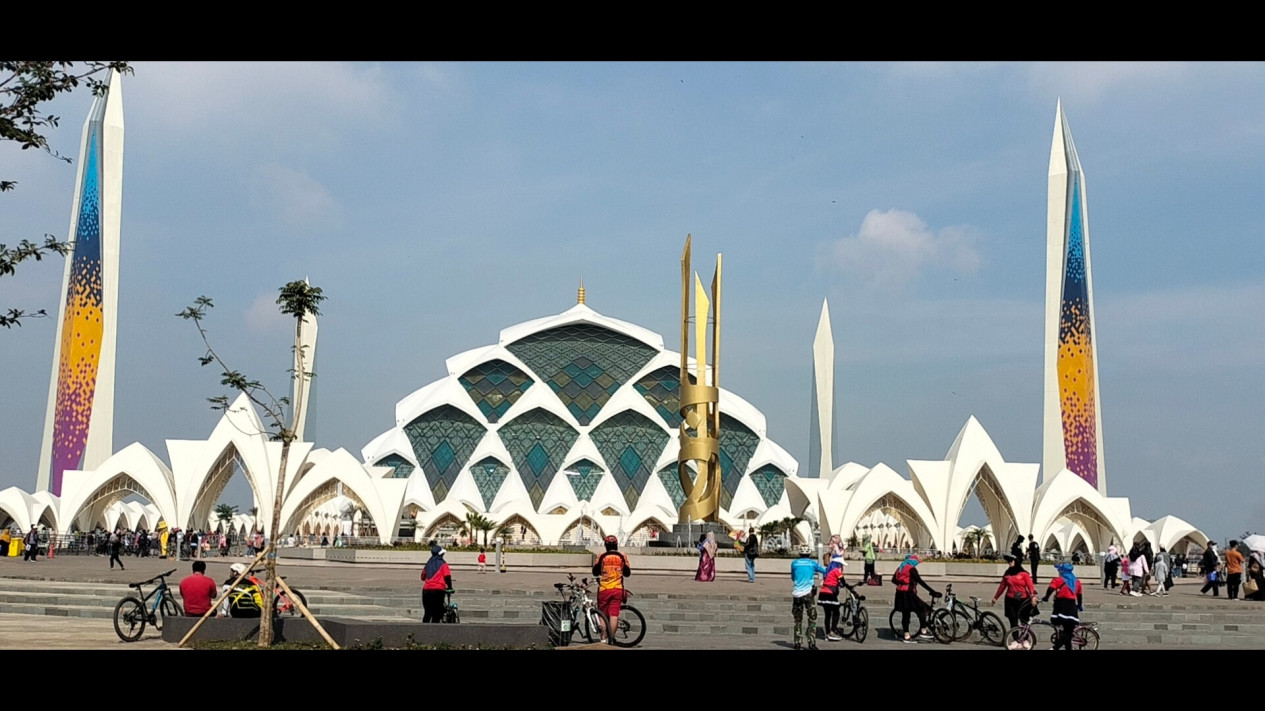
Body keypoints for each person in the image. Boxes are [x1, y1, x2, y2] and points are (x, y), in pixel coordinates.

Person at [892, 553, 941, 643]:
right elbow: (920, 581)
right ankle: (923, 631)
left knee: (906, 614)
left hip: (900, 593)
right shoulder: (911, 569)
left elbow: (893, 580)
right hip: (908, 593)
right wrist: (932, 591)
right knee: (922, 608)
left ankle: (906, 636)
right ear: (912, 561)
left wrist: (902, 584)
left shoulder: (900, 568)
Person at [593, 535, 631, 644]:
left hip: (604, 589)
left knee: (602, 615)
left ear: (605, 545)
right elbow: (627, 573)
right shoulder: (622, 556)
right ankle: (611, 640)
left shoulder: (601, 556)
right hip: (617, 589)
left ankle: (603, 639)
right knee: (614, 615)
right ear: (616, 545)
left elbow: (595, 572)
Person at [790, 550, 828, 650]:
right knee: (812, 618)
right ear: (809, 554)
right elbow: (825, 571)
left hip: (797, 594)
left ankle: (797, 642)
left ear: (799, 554)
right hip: (808, 594)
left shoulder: (794, 563)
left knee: (797, 619)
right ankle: (811, 642)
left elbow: (793, 578)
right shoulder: (812, 563)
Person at [1041, 562, 1084, 650]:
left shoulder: (1058, 580)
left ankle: (1054, 648)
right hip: (1071, 606)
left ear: (1062, 571)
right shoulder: (1077, 582)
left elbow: (1050, 589)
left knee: (1066, 632)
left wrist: (1046, 597)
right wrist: (1079, 606)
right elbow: (1079, 595)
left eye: (1059, 570)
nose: (1058, 571)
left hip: (1060, 606)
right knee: (1068, 631)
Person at [993, 554, 1036, 637]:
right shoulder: (1007, 573)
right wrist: (995, 597)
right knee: (1013, 619)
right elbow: (1002, 586)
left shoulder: (1024, 574)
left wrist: (1032, 596)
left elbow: (1030, 586)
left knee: (1024, 620)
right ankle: (1015, 639)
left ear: (1016, 562)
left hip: (1022, 599)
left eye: (1011, 561)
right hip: (1010, 599)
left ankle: (1025, 638)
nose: (1009, 563)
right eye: (1008, 562)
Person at [818, 554, 858, 641]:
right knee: (836, 612)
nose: (841, 566)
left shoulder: (828, 569)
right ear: (838, 563)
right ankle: (832, 632)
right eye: (841, 564)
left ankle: (828, 633)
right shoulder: (836, 570)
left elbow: (829, 580)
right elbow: (843, 581)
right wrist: (849, 588)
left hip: (823, 593)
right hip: (830, 594)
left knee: (828, 614)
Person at [420, 544, 452, 622]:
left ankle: (424, 629)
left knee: (427, 612)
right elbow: (447, 576)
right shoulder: (443, 564)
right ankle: (435, 630)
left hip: (426, 590)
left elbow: (422, 577)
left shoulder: (428, 564)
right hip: (438, 590)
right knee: (437, 613)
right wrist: (450, 587)